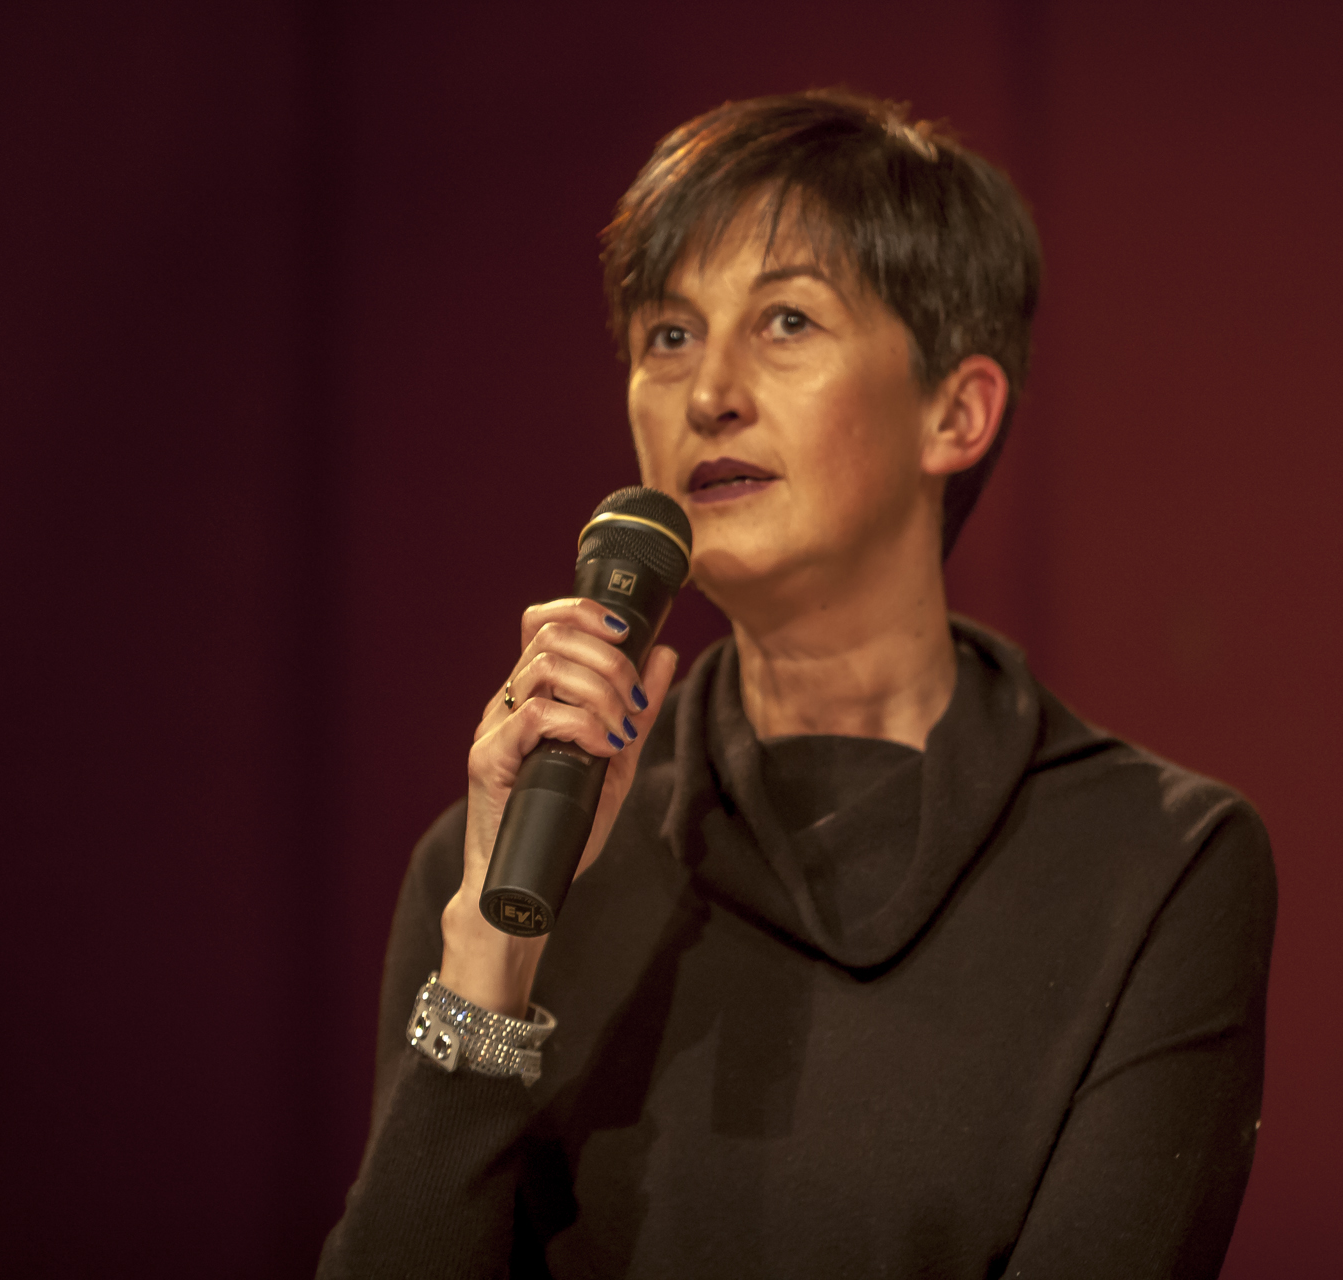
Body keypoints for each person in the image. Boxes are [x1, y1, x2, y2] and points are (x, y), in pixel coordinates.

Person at [319, 89, 1276, 1279]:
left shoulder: (1158, 861)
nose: (707, 390)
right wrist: (489, 957)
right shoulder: (504, 859)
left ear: (956, 410)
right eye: (669, 335)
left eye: (786, 320)